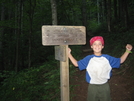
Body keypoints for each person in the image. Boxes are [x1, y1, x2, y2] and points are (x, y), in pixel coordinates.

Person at [68, 36, 133, 101]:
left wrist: (127, 51)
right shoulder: (88, 59)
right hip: (92, 86)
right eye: (95, 44)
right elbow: (77, 64)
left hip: (104, 85)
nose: (97, 46)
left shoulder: (107, 58)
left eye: (99, 44)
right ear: (91, 46)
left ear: (102, 46)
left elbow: (120, 61)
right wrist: (69, 54)